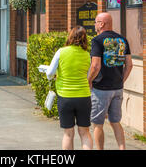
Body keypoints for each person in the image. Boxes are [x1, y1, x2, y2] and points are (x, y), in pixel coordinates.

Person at [88, 12, 133, 151]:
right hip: (117, 88)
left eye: (96, 22)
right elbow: (129, 65)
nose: (95, 25)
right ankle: (122, 148)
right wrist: (121, 81)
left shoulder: (97, 40)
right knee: (115, 122)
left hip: (101, 88)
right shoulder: (122, 40)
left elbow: (95, 65)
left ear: (101, 24)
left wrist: (88, 81)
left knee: (97, 123)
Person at [46, 26, 93, 150]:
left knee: (68, 133)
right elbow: (88, 75)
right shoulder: (87, 55)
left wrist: (54, 76)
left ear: (71, 37)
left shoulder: (61, 52)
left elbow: (50, 72)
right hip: (84, 96)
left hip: (65, 96)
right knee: (85, 133)